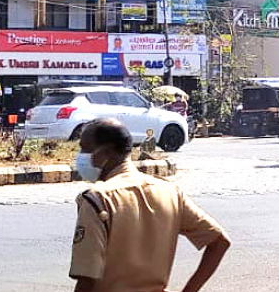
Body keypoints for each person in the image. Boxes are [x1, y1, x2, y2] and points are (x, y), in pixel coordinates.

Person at [69, 119, 230, 292]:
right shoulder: (170, 192)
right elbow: (219, 242)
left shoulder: (98, 198)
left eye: (84, 148)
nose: (80, 156)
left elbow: (86, 279)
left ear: (106, 151)